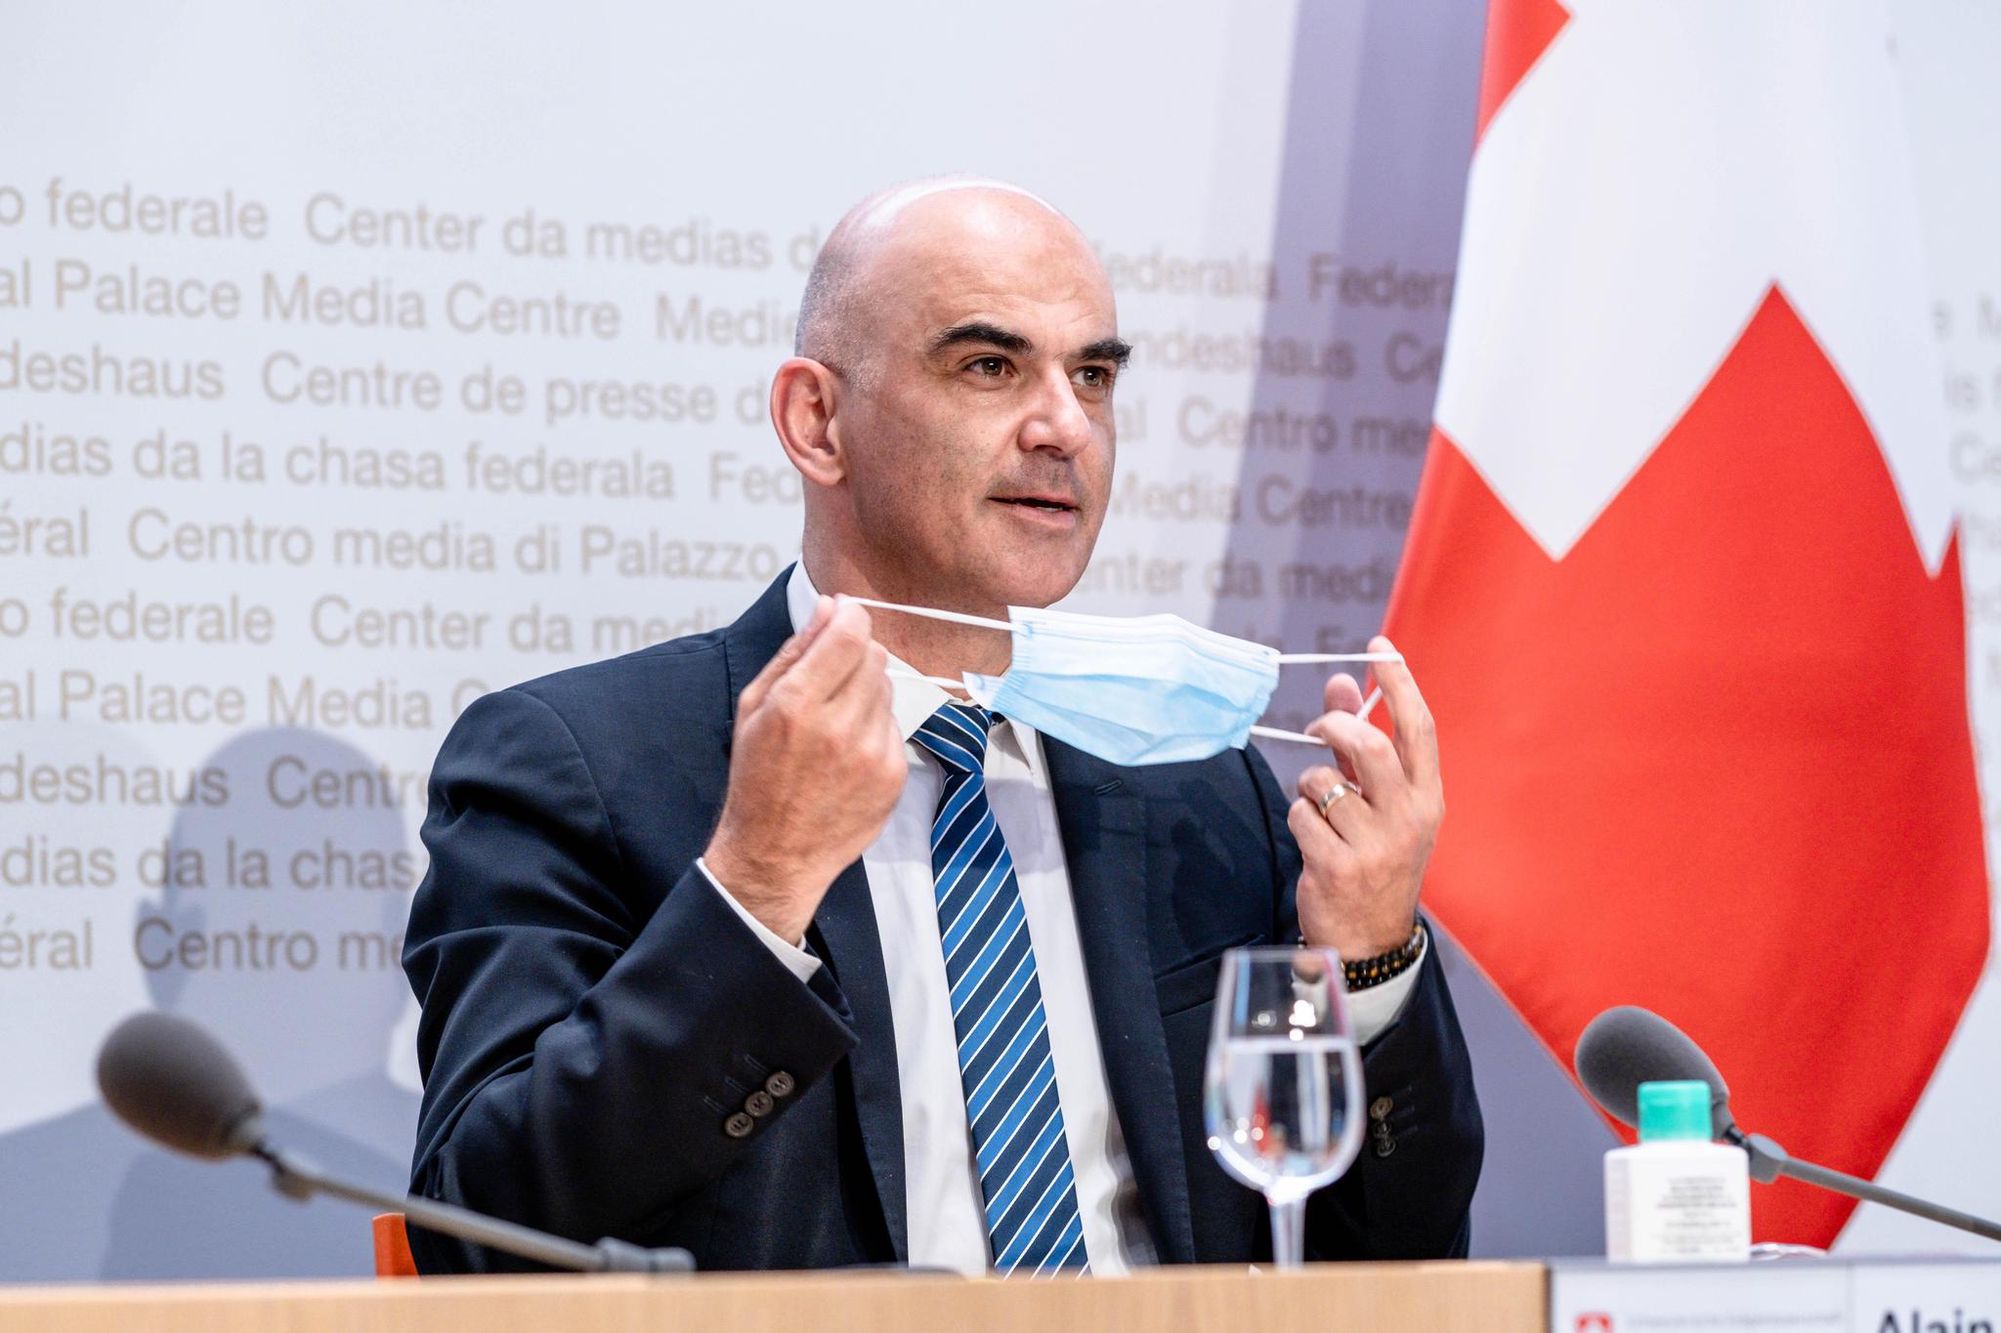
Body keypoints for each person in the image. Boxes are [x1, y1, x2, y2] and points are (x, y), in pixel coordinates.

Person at [403, 178, 1481, 1275]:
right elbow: (481, 1238)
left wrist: (1371, 959)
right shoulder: (578, 765)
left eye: (1093, 376)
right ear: (816, 422)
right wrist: (755, 888)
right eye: (988, 366)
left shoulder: (1201, 791)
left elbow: (1400, 1263)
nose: (1065, 427)